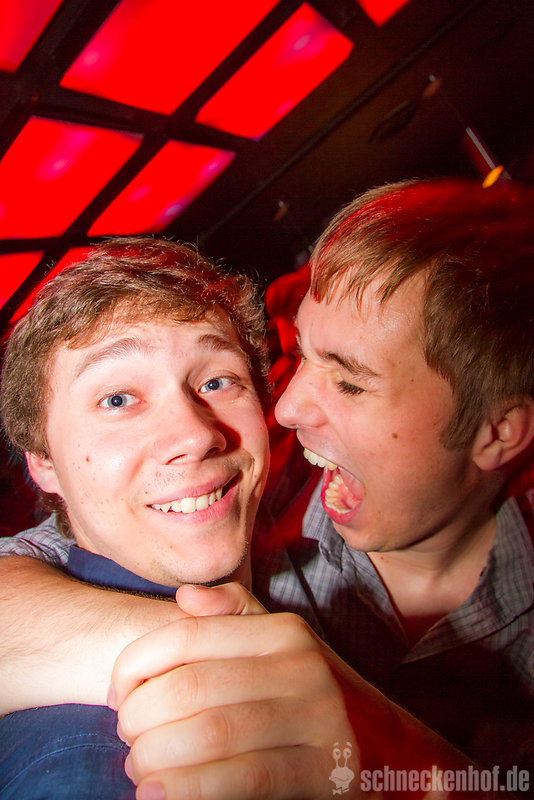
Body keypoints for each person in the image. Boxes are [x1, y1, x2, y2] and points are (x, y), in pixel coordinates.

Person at [1, 178, 533, 799]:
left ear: (498, 432)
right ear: (41, 462)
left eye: (351, 383)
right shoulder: (257, 493)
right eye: (300, 356)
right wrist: (231, 658)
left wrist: (414, 766)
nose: (286, 410)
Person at [0, 236, 271, 798]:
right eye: (118, 399)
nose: (195, 435)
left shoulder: (301, 572)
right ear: (44, 463)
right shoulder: (94, 761)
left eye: (216, 381)